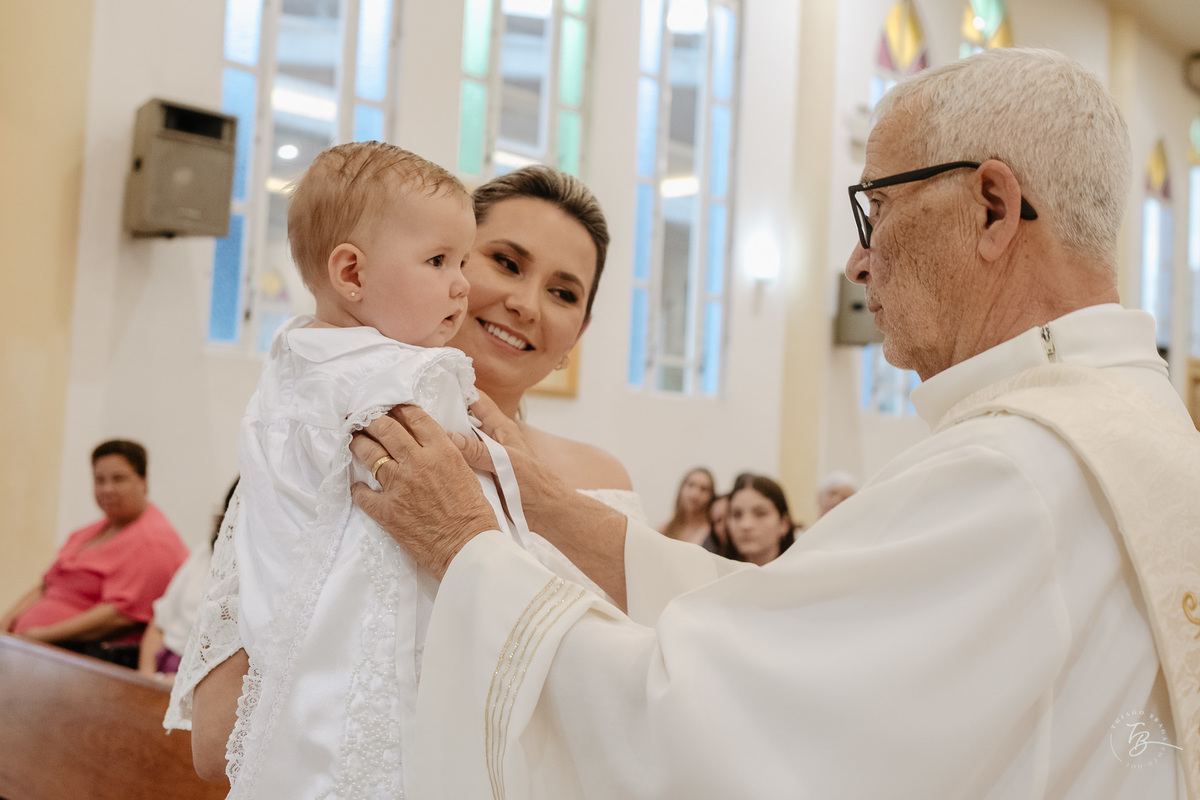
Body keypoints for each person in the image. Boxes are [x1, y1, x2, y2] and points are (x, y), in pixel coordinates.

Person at [349, 48, 1200, 798]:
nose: (858, 261)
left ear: (992, 208)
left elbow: (715, 729)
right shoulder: (1131, 429)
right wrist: (552, 509)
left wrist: (464, 543)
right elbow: (789, 626)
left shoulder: (1015, 469)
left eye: (876, 210)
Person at [168, 163, 644, 786]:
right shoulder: (344, 445)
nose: (526, 304)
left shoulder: (604, 478)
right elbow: (217, 741)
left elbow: (643, 698)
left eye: (564, 293)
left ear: (578, 333)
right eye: (503, 262)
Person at [2, 440, 188, 668]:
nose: (107, 489)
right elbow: (47, 585)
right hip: (31, 648)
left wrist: (41, 636)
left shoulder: (155, 542)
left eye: (118, 479)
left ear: (144, 481)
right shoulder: (89, 532)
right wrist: (7, 623)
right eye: (100, 480)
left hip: (81, 658)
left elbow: (118, 616)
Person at [137, 479, 238, 681]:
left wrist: (178, 684)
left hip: (200, 681)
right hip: (162, 671)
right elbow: (159, 623)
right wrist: (146, 678)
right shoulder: (204, 553)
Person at [723, 474, 794, 565]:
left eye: (760, 514)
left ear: (784, 523)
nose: (746, 525)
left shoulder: (805, 572)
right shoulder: (714, 572)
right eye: (737, 515)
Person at [656, 467, 715, 546]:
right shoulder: (666, 528)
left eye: (703, 489)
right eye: (691, 485)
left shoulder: (710, 533)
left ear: (711, 497)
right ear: (681, 488)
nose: (695, 493)